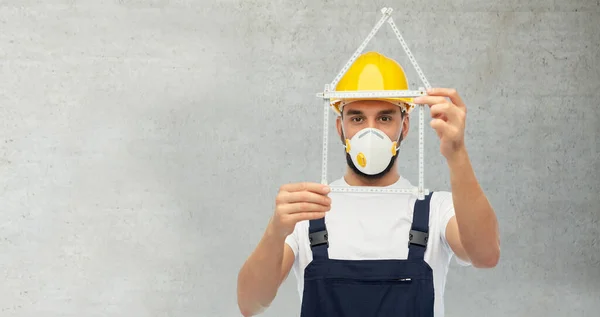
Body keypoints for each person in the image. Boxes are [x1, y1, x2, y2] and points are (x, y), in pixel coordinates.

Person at [236, 51, 500, 317]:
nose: (370, 132)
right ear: (340, 128)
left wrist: (457, 154)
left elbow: (486, 255)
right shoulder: (308, 212)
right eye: (357, 118)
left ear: (404, 126)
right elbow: (250, 304)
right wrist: (275, 231)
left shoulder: (436, 210)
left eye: (384, 118)